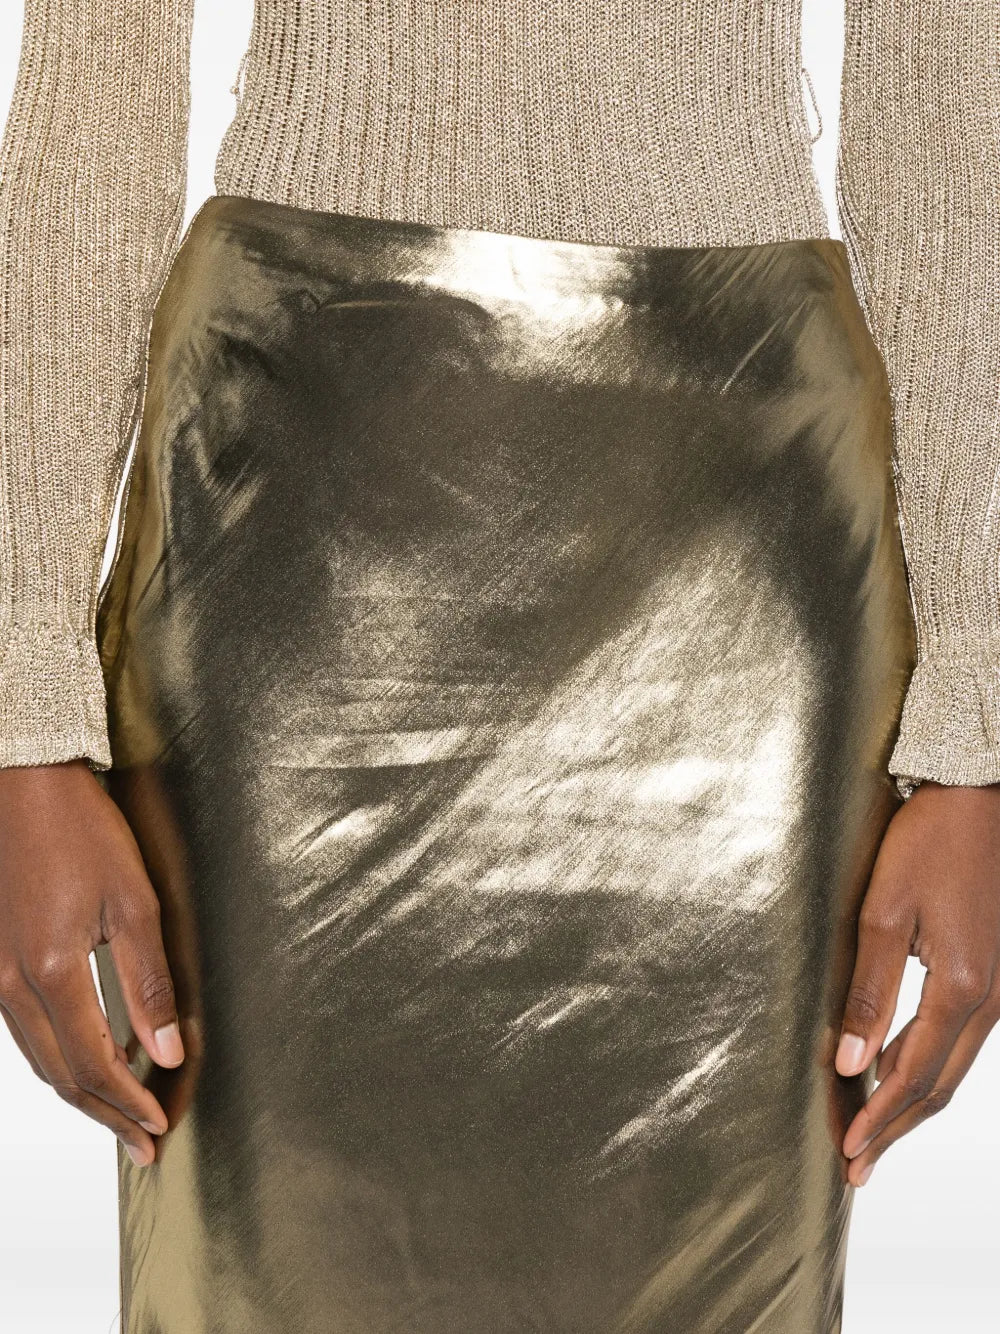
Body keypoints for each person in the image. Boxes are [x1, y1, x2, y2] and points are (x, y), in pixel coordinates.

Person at [0, 2, 998, 1330]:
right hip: (297, 518)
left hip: (739, 542)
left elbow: (945, 83)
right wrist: (23, 706)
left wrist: (976, 727)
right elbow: (97, 62)